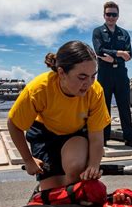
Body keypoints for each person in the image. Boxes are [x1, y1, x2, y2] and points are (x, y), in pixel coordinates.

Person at [7, 41, 111, 192]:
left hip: (74, 134)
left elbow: (96, 136)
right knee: (52, 192)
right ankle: (46, 187)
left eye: (93, 76)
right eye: (82, 77)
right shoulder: (39, 89)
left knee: (76, 171)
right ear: (62, 73)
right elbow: (14, 124)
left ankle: (70, 188)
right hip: (44, 133)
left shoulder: (95, 91)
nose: (88, 83)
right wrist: (28, 160)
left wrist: (93, 165)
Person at [92, 1, 132, 148]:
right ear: (104, 15)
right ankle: (104, 138)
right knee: (104, 108)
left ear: (118, 16)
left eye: (114, 14)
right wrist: (119, 53)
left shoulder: (124, 33)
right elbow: (99, 51)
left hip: (120, 74)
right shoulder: (98, 32)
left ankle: (129, 138)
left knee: (124, 107)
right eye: (108, 14)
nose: (111, 17)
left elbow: (129, 55)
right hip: (105, 74)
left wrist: (113, 57)